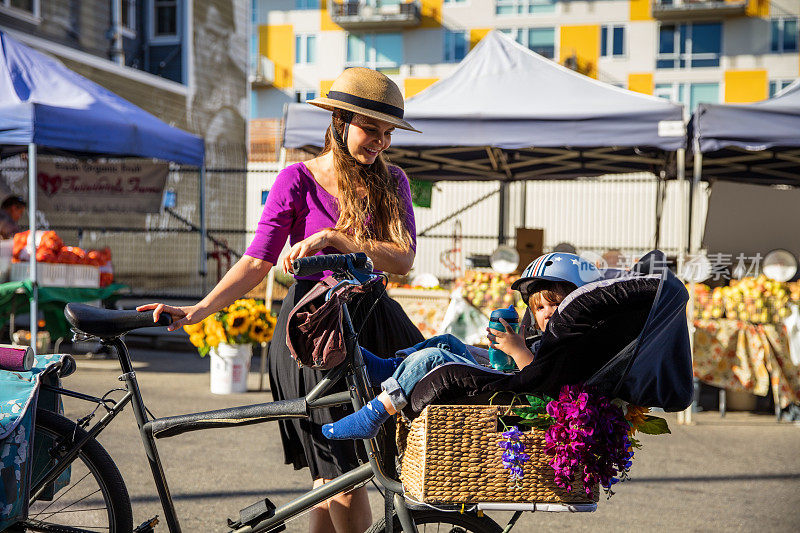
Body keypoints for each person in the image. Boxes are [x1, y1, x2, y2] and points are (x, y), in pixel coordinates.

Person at [139, 67, 425, 533]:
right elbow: (256, 263)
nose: (381, 142)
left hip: (373, 323)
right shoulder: (297, 180)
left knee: (343, 475)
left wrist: (339, 238)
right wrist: (197, 310)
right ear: (339, 120)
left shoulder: (393, 182)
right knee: (337, 474)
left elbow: (403, 258)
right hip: (313, 333)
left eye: (387, 132)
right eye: (371, 129)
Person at [322, 253, 599, 440]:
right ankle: (389, 367)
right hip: (507, 379)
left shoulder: (570, 343)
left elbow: (544, 382)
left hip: (512, 395)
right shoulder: (549, 338)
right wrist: (506, 349)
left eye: (555, 303)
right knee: (448, 341)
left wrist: (517, 350)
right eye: (539, 307)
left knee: (434, 358)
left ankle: (376, 413)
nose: (547, 311)